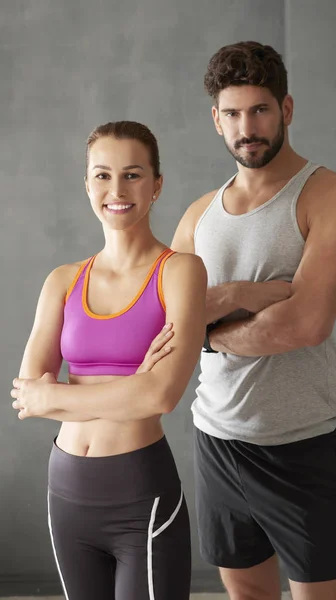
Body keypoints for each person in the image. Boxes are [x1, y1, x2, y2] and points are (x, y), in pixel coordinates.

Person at [171, 42, 336, 600]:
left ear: (286, 109)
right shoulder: (198, 215)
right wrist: (253, 295)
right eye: (232, 114)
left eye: (259, 110)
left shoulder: (330, 196)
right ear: (216, 119)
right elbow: (160, 326)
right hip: (216, 440)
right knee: (248, 595)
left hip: (301, 445)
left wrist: (209, 318)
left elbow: (303, 326)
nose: (246, 126)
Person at [11, 120, 207, 600]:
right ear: (87, 184)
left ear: (157, 184)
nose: (116, 190)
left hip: (140, 494)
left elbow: (163, 394)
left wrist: (63, 394)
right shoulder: (62, 280)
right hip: (66, 493)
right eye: (102, 175)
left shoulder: (180, 271)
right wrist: (132, 386)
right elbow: (27, 397)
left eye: (133, 174)